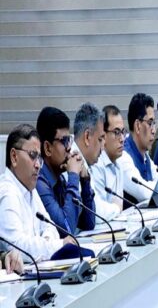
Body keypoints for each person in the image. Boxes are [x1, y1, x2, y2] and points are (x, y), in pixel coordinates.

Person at [0, 124, 75, 261]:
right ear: (14, 157)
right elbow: (16, 246)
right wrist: (57, 245)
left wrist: (47, 240)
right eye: (32, 156)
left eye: (39, 158)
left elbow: (50, 227)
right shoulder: (7, 193)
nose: (38, 165)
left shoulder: (30, 189)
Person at [36, 106, 96, 237]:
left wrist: (85, 179)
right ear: (47, 148)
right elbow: (66, 229)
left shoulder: (60, 179)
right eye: (64, 141)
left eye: (69, 140)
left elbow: (89, 223)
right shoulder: (39, 182)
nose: (69, 148)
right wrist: (73, 176)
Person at [119, 93, 158, 204]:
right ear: (138, 126)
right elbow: (144, 192)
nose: (154, 130)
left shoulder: (144, 155)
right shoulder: (123, 156)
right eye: (150, 123)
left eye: (154, 123)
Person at [89, 105, 127, 221]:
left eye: (123, 132)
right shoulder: (96, 164)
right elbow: (98, 215)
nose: (122, 139)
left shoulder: (119, 164)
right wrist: (116, 208)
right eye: (116, 132)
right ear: (103, 135)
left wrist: (116, 208)